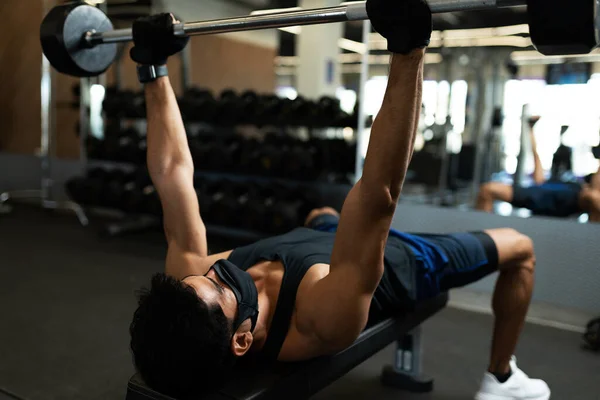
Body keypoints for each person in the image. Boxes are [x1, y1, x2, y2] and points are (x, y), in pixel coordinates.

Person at [127, 3, 550, 400]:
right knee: (521, 248)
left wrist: (153, 67)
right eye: (220, 286)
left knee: (322, 214)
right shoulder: (320, 317)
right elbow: (378, 196)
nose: (216, 271)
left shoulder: (194, 285)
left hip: (323, 236)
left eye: (198, 278)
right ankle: (501, 378)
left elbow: (172, 175)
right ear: (241, 339)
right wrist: (408, 49)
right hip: (403, 260)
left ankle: (322, 220)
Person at [476, 117, 600, 221]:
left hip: (561, 203)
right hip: (536, 192)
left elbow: (593, 195)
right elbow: (538, 173)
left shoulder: (583, 193)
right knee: (487, 189)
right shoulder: (563, 183)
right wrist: (531, 130)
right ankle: (480, 238)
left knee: (593, 197)